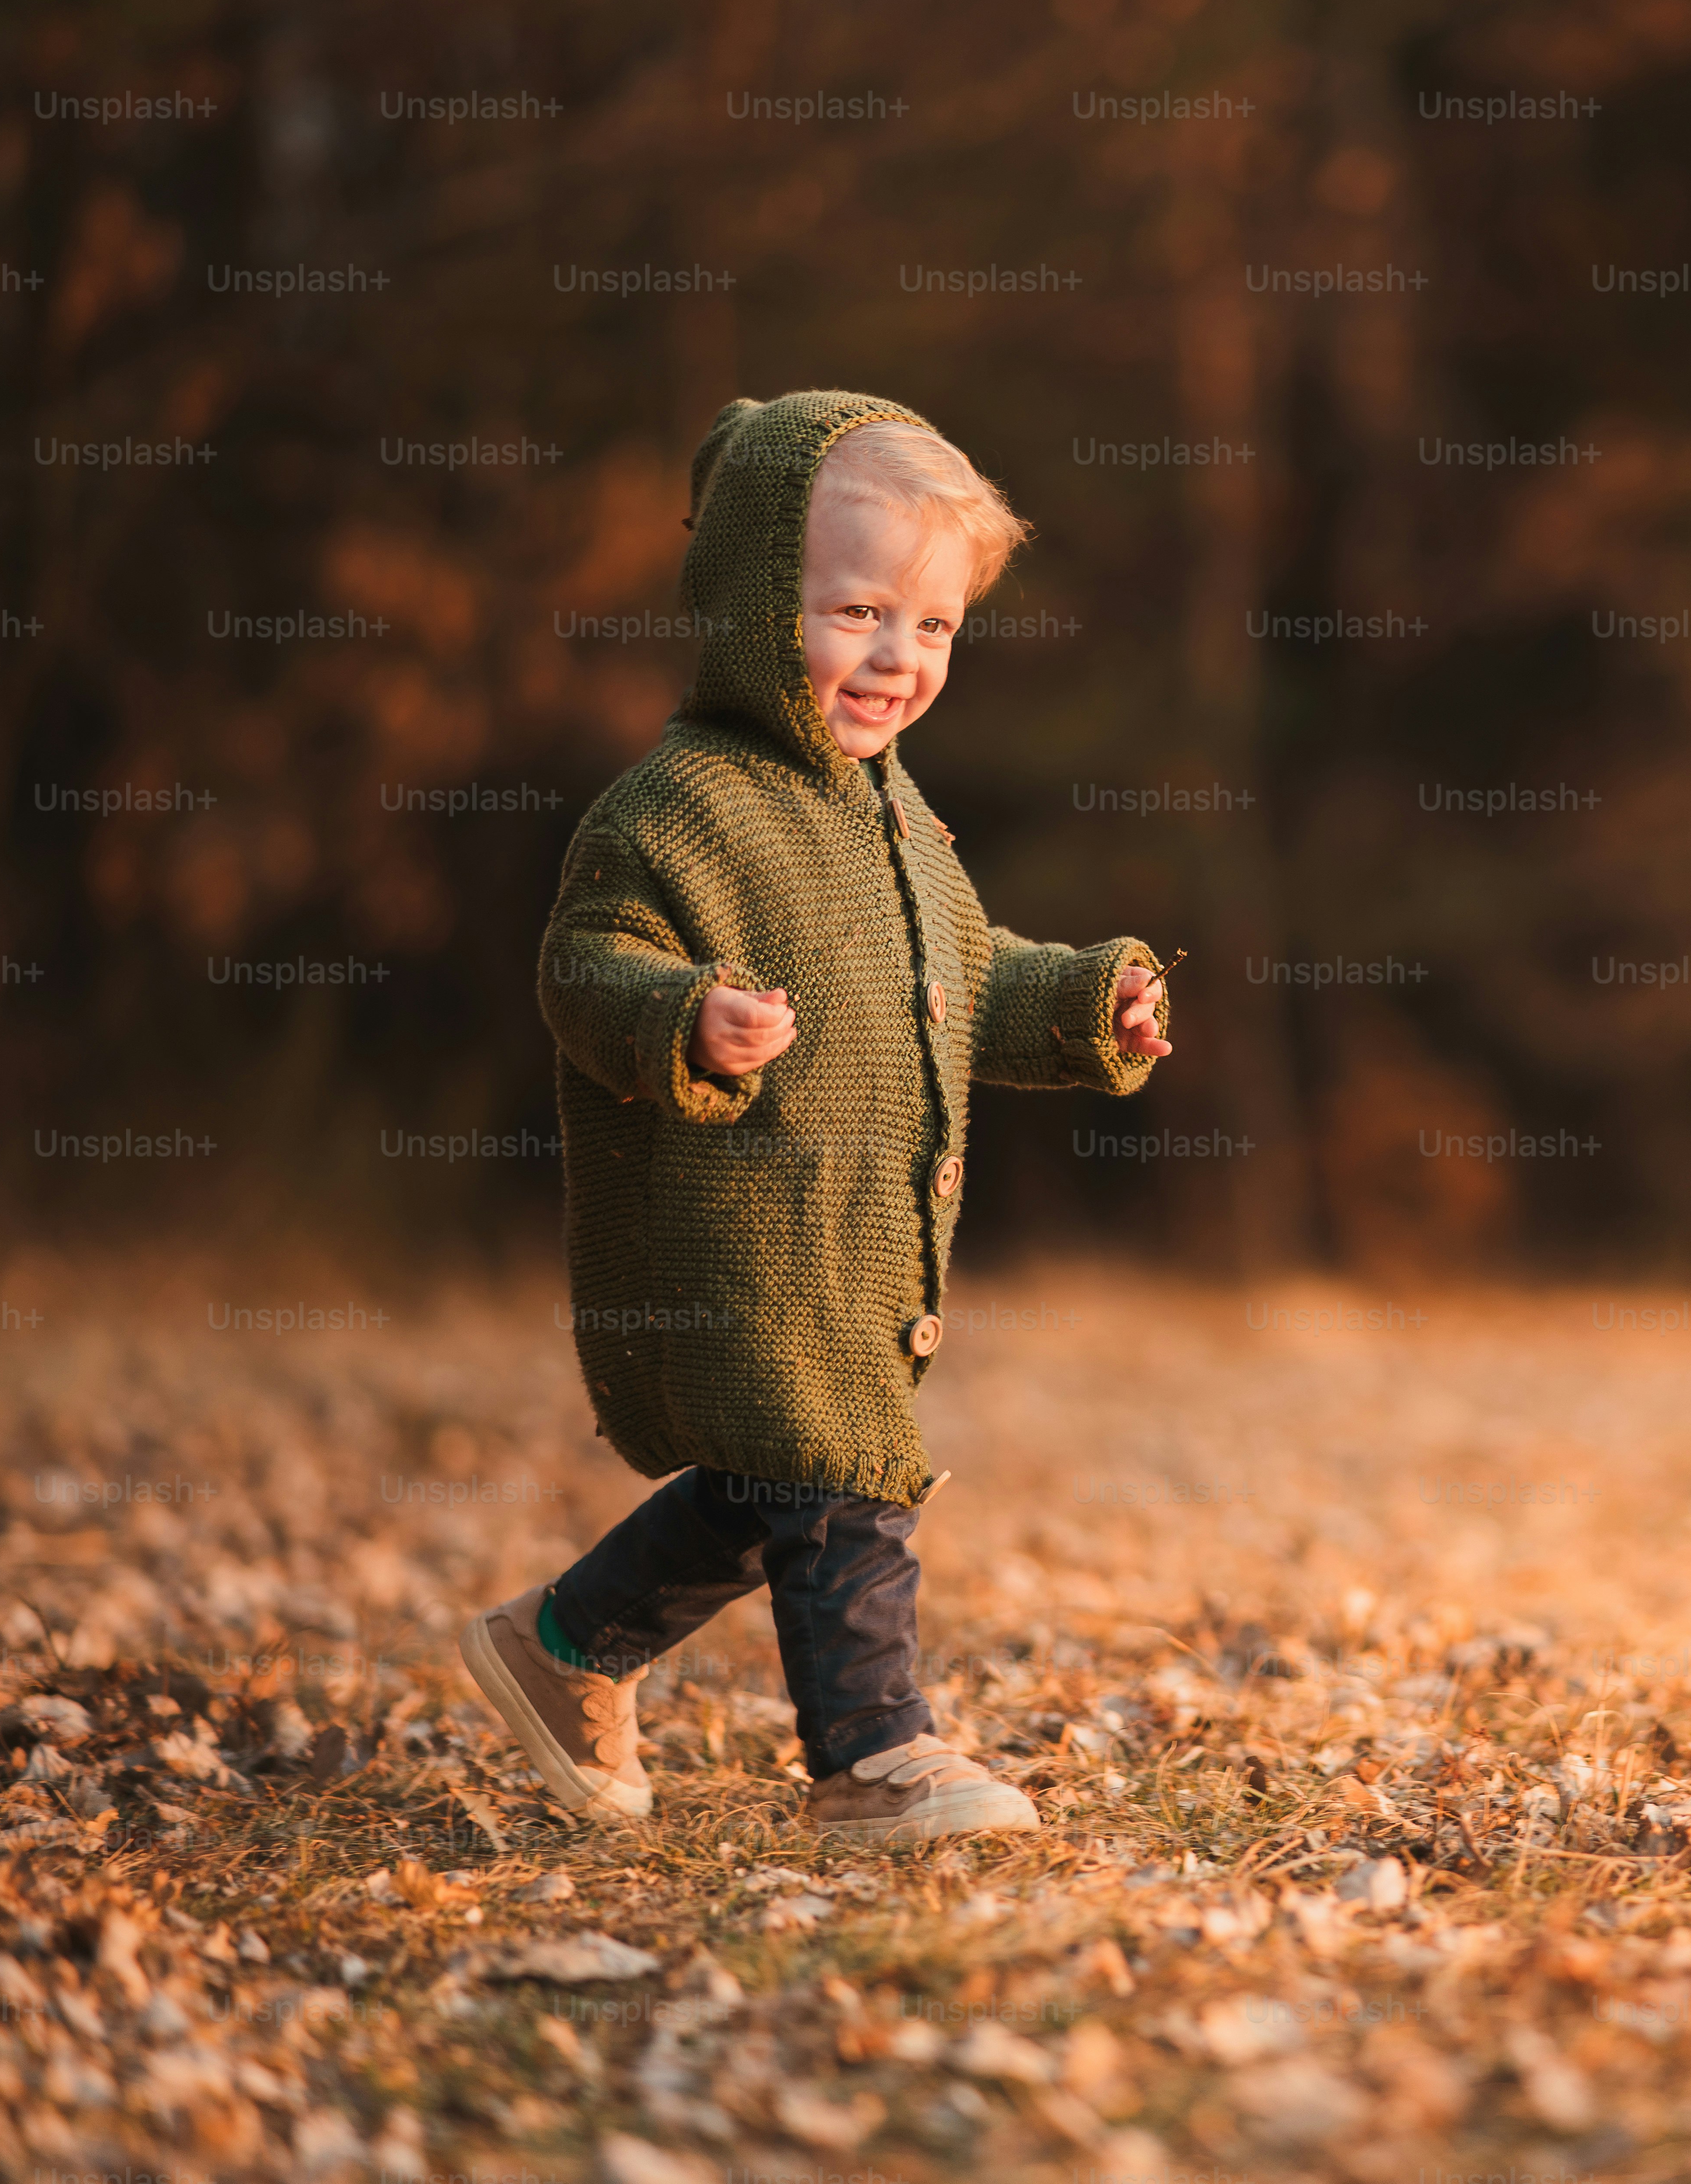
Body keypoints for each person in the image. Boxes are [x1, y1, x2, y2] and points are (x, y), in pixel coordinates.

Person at [460, 390, 1170, 1844]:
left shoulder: (901, 820)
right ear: (745, 599)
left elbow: (969, 988)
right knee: (841, 1473)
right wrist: (682, 1018)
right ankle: (872, 1757)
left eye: (936, 628)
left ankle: (562, 1646)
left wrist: (1086, 1008)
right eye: (857, 612)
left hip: (862, 1238)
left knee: (768, 1483)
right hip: (740, 1229)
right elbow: (582, 968)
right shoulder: (676, 809)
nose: (898, 659)